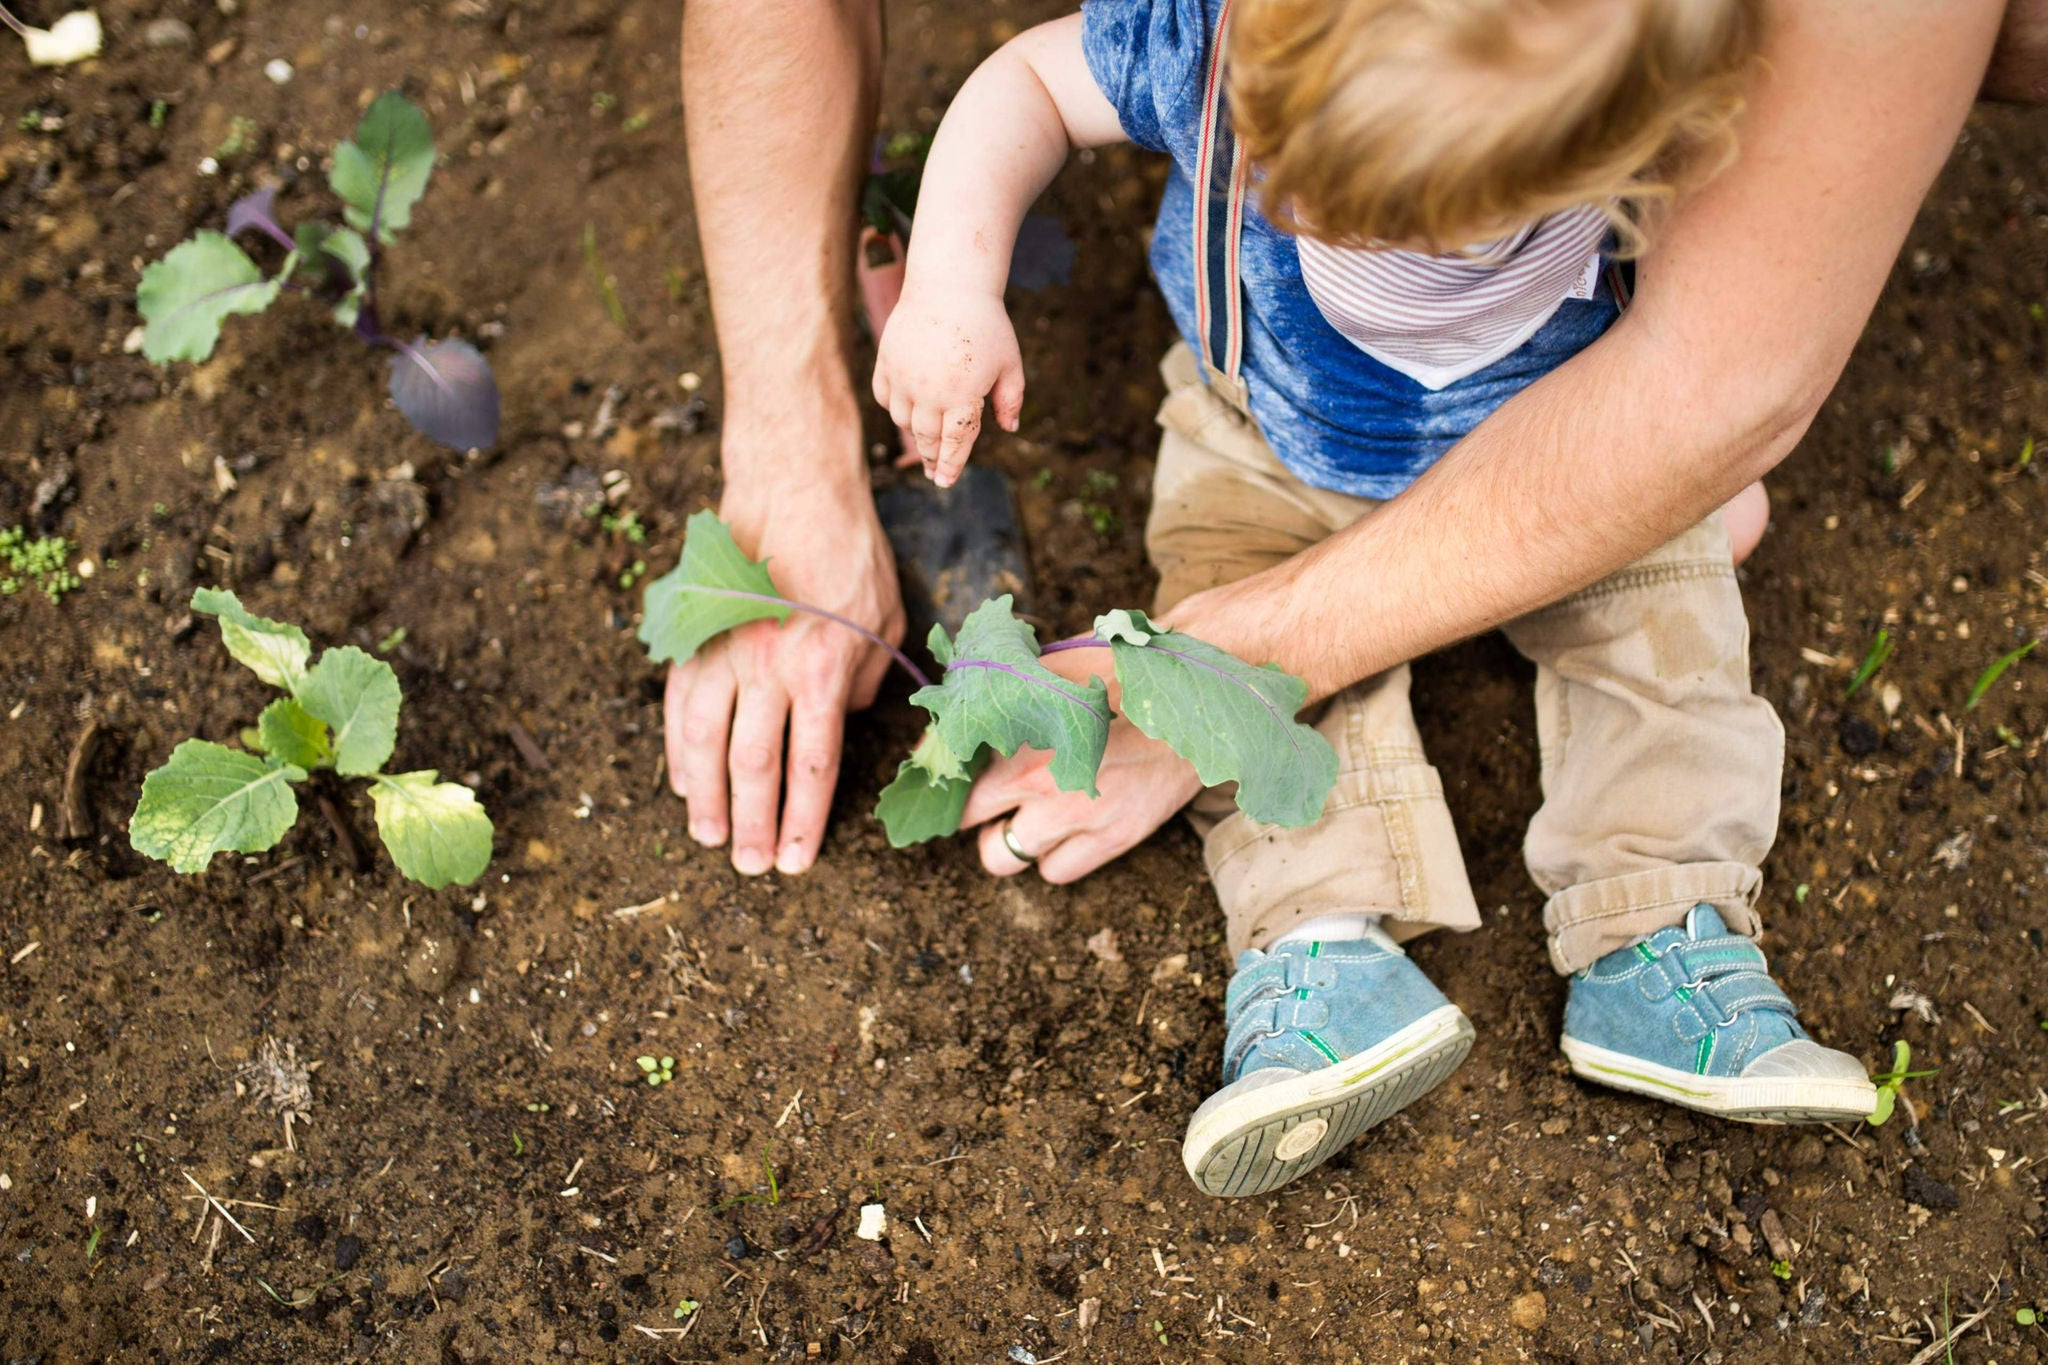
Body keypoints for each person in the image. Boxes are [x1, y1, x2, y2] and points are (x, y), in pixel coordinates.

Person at [670, 0, 2031, 1134]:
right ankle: (1321, 945)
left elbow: (1715, 342)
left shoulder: (1646, 89)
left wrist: (1701, 465)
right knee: (1213, 669)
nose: (1279, 202)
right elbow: (1025, 83)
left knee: (1665, 639)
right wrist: (957, 283)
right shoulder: (1210, 33)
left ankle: (1664, 931)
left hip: (1554, 427)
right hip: (1264, 429)